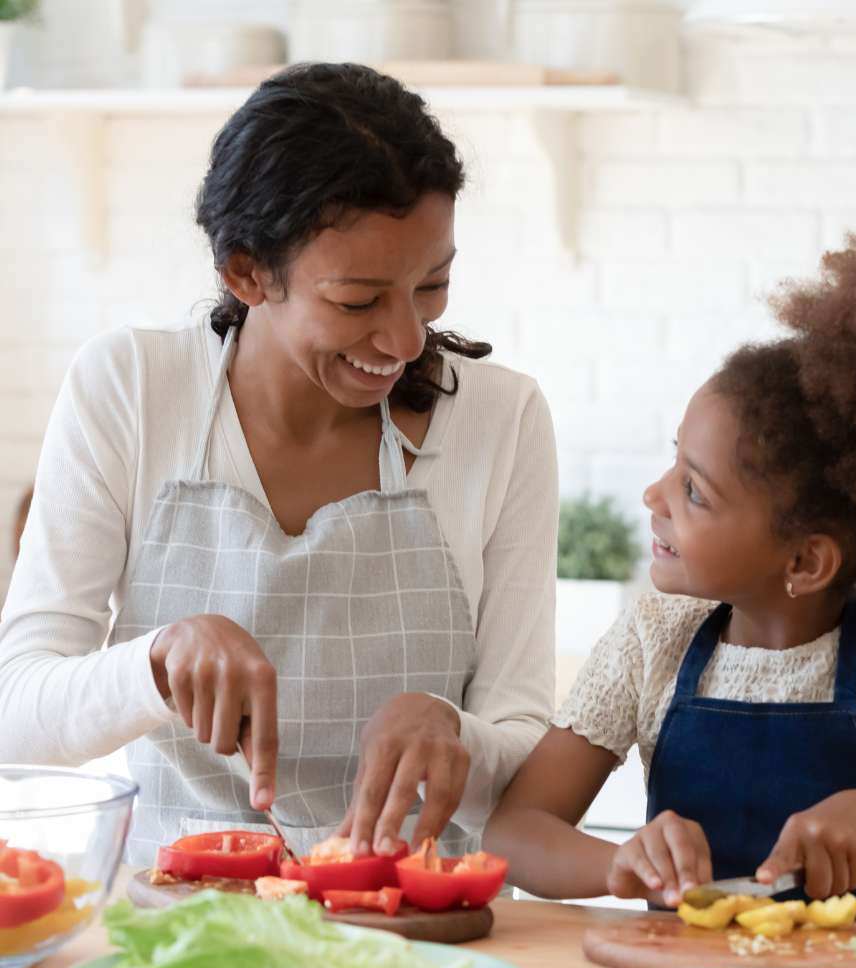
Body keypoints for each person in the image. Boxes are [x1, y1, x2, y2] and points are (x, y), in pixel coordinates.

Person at [0, 64, 558, 867]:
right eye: (359, 302)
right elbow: (19, 716)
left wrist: (457, 732)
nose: (405, 341)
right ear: (246, 272)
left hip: (419, 936)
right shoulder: (129, 388)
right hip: (183, 929)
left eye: (432, 285)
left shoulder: (502, 420)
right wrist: (155, 662)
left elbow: (526, 748)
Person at [484, 212, 856, 929]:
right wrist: (614, 864)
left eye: (694, 491)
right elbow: (514, 833)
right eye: (675, 463)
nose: (654, 497)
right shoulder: (653, 638)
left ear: (804, 560)